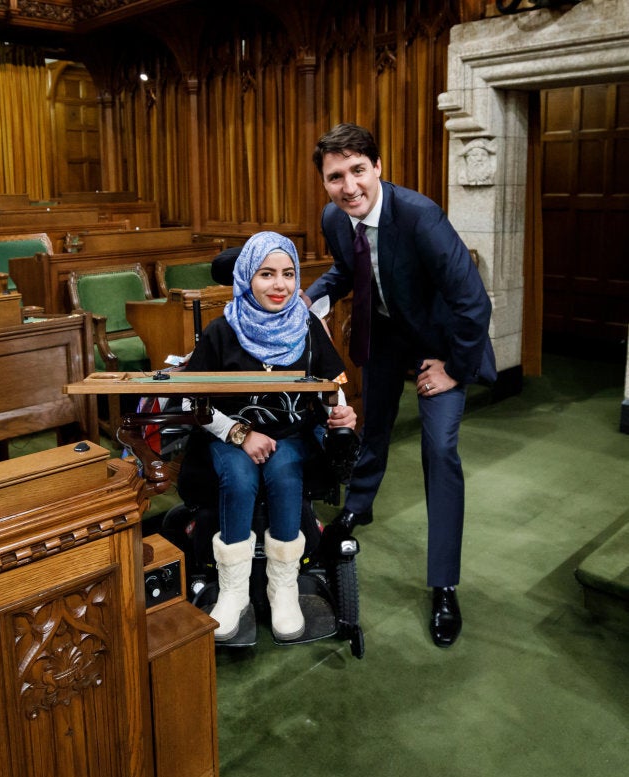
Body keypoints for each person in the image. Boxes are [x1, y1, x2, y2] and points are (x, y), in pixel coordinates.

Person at [303, 123, 496, 648]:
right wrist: (311, 299)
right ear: (324, 181)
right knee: (375, 424)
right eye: (335, 176)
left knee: (439, 448)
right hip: (386, 333)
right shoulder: (334, 219)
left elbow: (473, 302)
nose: (349, 187)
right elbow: (347, 270)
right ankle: (356, 506)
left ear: (378, 168)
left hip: (443, 341)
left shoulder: (421, 216)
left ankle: (444, 584)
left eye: (358, 171)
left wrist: (453, 367)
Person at [184, 231, 356, 643]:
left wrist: (340, 411)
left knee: (284, 475)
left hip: (292, 433)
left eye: (288, 274)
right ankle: (233, 592)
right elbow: (195, 402)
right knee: (240, 479)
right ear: (247, 277)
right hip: (229, 434)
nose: (279, 285)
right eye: (266, 274)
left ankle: (283, 587)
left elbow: (332, 384)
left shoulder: (308, 325)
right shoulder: (221, 330)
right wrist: (241, 434)